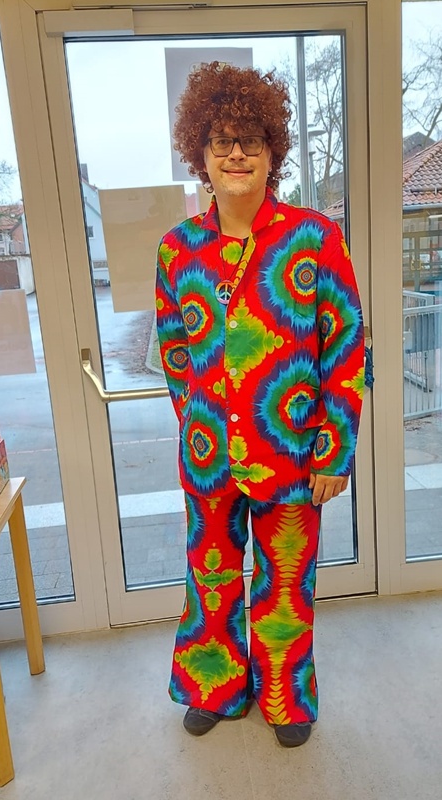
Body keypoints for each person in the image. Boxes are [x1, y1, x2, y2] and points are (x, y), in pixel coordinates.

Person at [155, 62, 364, 747]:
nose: (236, 154)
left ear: (273, 151)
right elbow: (174, 351)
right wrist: (199, 423)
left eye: (250, 140)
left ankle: (284, 695)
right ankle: (214, 685)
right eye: (221, 142)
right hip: (209, 457)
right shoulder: (177, 250)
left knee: (286, 584)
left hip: (292, 453)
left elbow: (345, 347)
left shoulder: (315, 239)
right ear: (201, 155)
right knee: (210, 580)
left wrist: (333, 449)